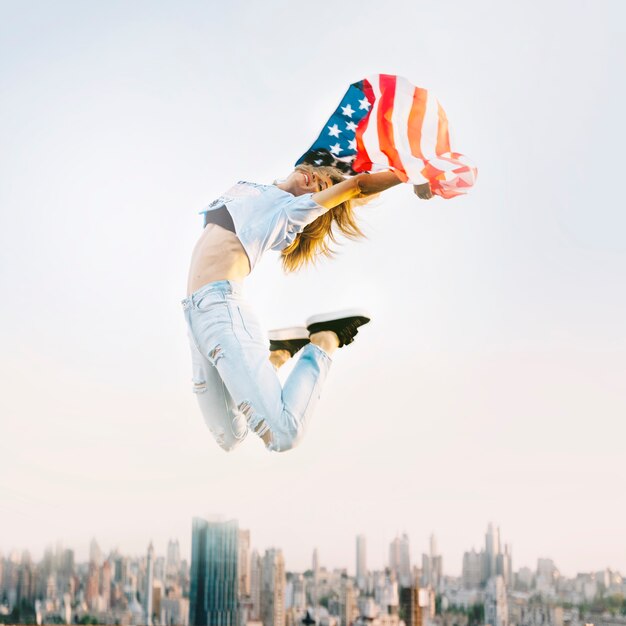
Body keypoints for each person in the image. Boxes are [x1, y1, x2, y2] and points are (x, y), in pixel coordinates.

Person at [182, 164, 432, 452]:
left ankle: (326, 340)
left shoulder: (291, 212)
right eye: (317, 175)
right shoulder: (258, 188)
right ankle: (278, 354)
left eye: (322, 188)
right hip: (194, 314)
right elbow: (318, 165)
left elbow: (357, 185)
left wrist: (414, 173)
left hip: (221, 312)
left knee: (284, 434)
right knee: (229, 436)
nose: (316, 181)